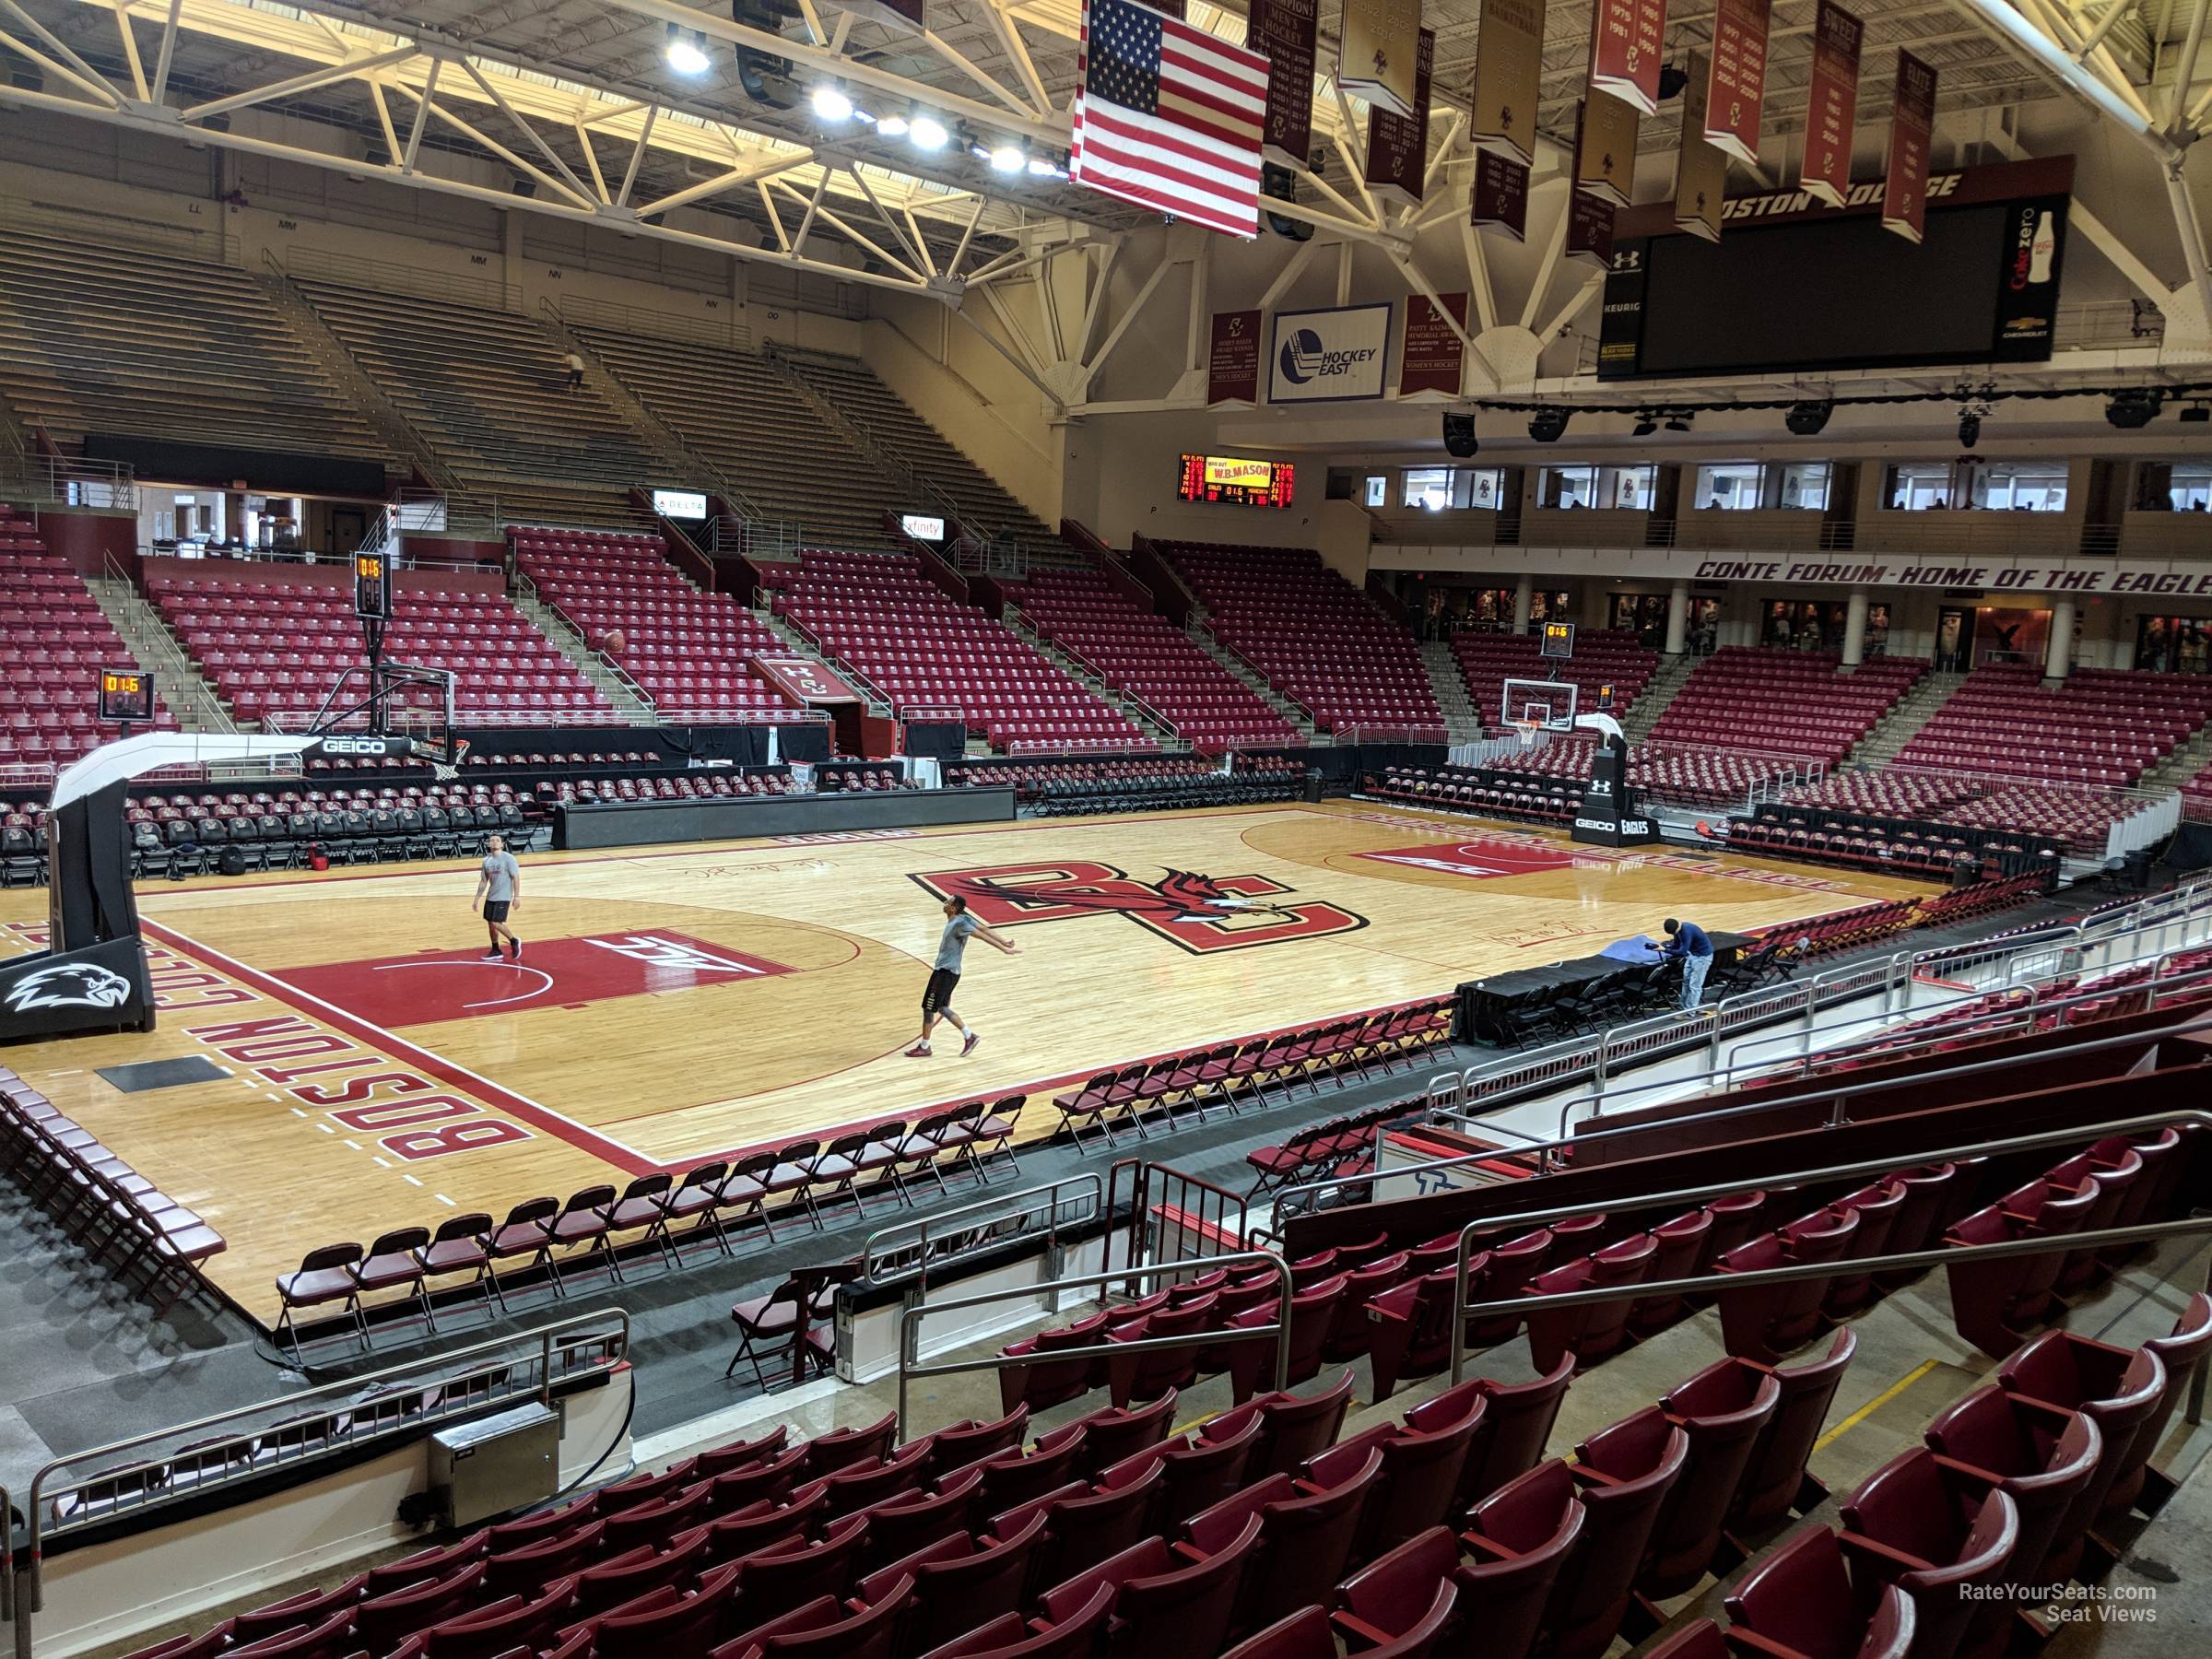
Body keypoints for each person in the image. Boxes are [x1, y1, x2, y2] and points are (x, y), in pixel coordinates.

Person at [907, 894, 1018, 1058]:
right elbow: (984, 929)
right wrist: (1004, 941)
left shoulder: (959, 924)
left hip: (944, 974)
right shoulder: (962, 918)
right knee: (941, 1007)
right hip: (950, 973)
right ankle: (968, 1036)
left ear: (953, 908)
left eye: (948, 902)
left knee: (928, 1008)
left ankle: (925, 1046)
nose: (945, 904)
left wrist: (1003, 948)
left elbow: (981, 935)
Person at [474, 834, 523, 960]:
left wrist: (517, 896)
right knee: (491, 923)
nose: (494, 842)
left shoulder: (509, 858)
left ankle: (514, 940)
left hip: (504, 896)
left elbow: (515, 877)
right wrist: (477, 898)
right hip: (491, 896)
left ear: (502, 844)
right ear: (488, 844)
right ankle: (496, 949)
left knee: (496, 922)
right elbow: (484, 881)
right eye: (492, 840)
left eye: (497, 840)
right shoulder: (486, 861)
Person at [1658, 916, 1713, 1011]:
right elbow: (1676, 946)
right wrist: (1662, 946)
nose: (1674, 935)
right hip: (1694, 955)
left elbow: (1682, 951)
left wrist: (1665, 950)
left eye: (1674, 933)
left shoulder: (1687, 931)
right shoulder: (1678, 931)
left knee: (1695, 985)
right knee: (1686, 981)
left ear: (1677, 928)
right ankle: (1683, 1007)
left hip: (1702, 958)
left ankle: (1690, 1012)